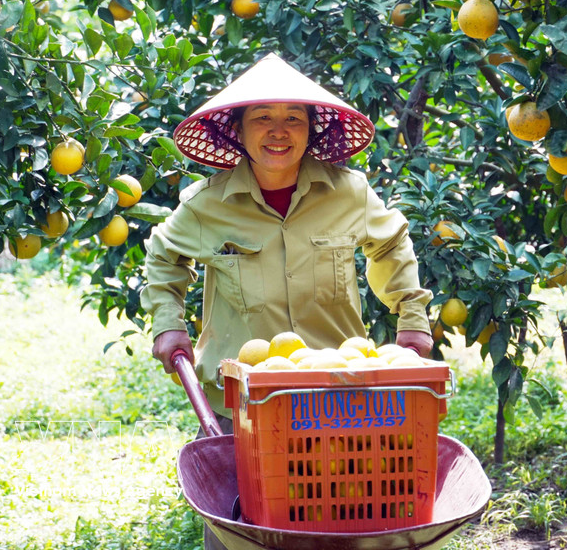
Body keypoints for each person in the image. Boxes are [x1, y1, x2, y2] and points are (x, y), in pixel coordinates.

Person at [144, 51, 434, 420]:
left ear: (311, 130)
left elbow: (391, 243)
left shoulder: (349, 193)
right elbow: (164, 254)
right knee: (234, 479)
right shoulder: (207, 205)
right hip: (240, 401)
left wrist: (412, 316)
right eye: (262, 117)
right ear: (238, 129)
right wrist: (169, 324)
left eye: (293, 119)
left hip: (338, 394)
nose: (278, 131)